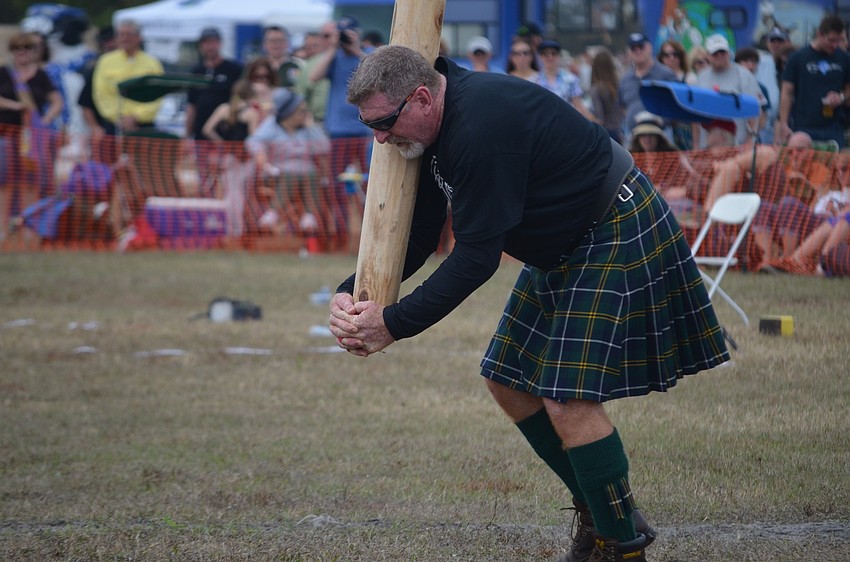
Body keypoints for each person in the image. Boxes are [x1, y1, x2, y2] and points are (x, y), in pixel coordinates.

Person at [328, 45, 730, 562]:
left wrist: (394, 324)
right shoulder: (425, 135)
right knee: (508, 380)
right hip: (561, 246)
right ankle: (599, 510)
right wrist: (352, 291)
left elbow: (476, 258)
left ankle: (620, 545)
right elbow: (422, 236)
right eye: (370, 127)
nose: (380, 138)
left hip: (611, 224)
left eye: (384, 123)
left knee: (566, 397)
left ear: (422, 97)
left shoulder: (478, 127)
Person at [0, 31, 64, 235]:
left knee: (34, 180)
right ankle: (5, 224)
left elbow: (57, 102)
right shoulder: (4, 72)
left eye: (27, 48)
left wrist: (45, 120)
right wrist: (16, 106)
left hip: (34, 138)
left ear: (34, 51)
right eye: (17, 48)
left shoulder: (41, 75)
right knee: (6, 180)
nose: (22, 52)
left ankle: (30, 222)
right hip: (7, 135)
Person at [246, 90, 330, 240]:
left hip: (308, 174)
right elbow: (252, 141)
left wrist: (311, 126)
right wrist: (263, 159)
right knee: (293, 175)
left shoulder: (308, 129)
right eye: (301, 111)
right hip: (277, 173)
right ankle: (274, 213)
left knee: (309, 173)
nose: (305, 114)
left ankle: (307, 216)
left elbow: (324, 147)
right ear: (290, 112)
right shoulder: (272, 124)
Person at [776, 14, 850, 148]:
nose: (835, 45)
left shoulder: (844, 58)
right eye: (831, 40)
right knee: (801, 165)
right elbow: (786, 92)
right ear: (820, 34)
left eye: (838, 41)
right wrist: (783, 124)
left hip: (834, 127)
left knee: (835, 167)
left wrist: (841, 97)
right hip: (804, 126)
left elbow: (848, 88)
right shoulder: (798, 58)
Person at [92, 20, 164, 136]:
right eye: (121, 34)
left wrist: (136, 116)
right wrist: (118, 117)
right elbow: (101, 94)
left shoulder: (152, 63)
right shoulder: (105, 61)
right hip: (113, 126)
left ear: (139, 37)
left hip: (143, 126)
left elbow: (158, 95)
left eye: (129, 34)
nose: (125, 38)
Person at [693, 34, 763, 148]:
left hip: (737, 145)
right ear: (708, 56)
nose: (720, 56)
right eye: (715, 53)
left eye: (723, 52)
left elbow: (758, 110)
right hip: (707, 146)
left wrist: (752, 138)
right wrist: (695, 145)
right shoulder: (701, 77)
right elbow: (694, 114)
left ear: (729, 53)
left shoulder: (744, 75)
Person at [184, 27, 243, 143]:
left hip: (226, 134)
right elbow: (191, 105)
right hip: (200, 135)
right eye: (206, 43)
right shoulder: (197, 71)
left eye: (213, 42)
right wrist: (187, 134)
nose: (210, 47)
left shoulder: (234, 69)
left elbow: (239, 99)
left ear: (220, 43)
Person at [618, 32, 676, 143]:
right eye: (633, 48)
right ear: (629, 52)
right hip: (633, 136)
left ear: (650, 47)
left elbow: (675, 105)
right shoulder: (625, 79)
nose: (637, 50)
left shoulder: (666, 75)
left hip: (661, 135)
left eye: (641, 46)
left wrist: (663, 120)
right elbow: (623, 107)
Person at [535, 39, 596, 122]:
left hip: (565, 125)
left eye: (553, 53)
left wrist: (595, 123)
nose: (550, 57)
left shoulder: (570, 79)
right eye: (546, 54)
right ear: (541, 57)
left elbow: (578, 105)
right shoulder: (534, 81)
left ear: (559, 56)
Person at [295, 22, 334, 123]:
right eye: (326, 36)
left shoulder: (353, 60)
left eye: (336, 35)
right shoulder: (309, 65)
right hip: (317, 121)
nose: (332, 39)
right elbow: (300, 95)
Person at [734, 47, 772, 136]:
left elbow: (763, 118)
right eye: (746, 61)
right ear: (737, 63)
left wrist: (753, 133)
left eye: (754, 62)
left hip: (751, 135)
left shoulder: (761, 88)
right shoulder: (730, 85)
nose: (750, 66)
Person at [589, 48, 624, 143]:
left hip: (607, 133)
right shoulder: (618, 84)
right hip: (620, 130)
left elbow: (600, 118)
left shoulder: (597, 89)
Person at [262, 25, 302, 90]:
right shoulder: (256, 66)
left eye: (280, 40)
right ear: (265, 44)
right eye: (272, 40)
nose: (277, 44)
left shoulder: (299, 65)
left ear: (287, 43)